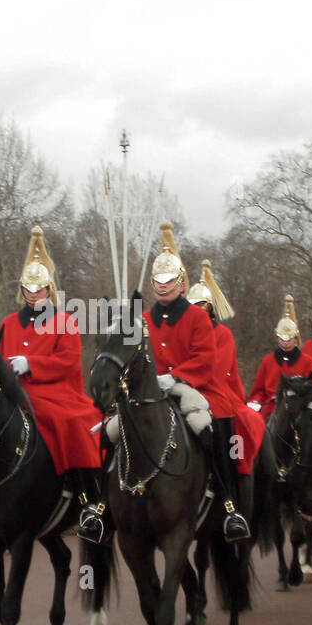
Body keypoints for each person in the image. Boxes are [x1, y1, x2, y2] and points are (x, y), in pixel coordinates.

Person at [0, 226, 105, 547]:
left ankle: (87, 501)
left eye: (39, 288)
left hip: (55, 392)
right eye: (28, 288)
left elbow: (69, 362)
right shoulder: (8, 323)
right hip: (12, 392)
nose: (33, 293)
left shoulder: (64, 321)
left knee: (72, 424)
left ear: (48, 290)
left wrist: (32, 364)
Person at [83, 221, 250, 543]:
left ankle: (229, 506)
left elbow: (205, 359)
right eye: (158, 281)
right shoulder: (142, 319)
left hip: (191, 387)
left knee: (208, 429)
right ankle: (101, 506)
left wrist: (175, 376)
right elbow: (129, 356)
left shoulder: (199, 317)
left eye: (169, 280)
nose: (162, 286)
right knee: (110, 432)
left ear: (181, 282)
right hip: (148, 390)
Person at [188, 259, 265, 479]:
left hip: (219, 392)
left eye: (200, 306)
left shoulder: (223, 335)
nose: (196, 311)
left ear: (210, 307)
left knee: (235, 425)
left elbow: (215, 372)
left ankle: (232, 477)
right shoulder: (186, 332)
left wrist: (184, 381)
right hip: (187, 391)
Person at [247, 294, 312, 423]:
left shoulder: (307, 362)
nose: (285, 342)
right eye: (282, 338)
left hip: (299, 410)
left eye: (288, 339)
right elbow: (259, 390)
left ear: (295, 338)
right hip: (271, 409)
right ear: (277, 338)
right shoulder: (268, 361)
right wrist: (255, 403)